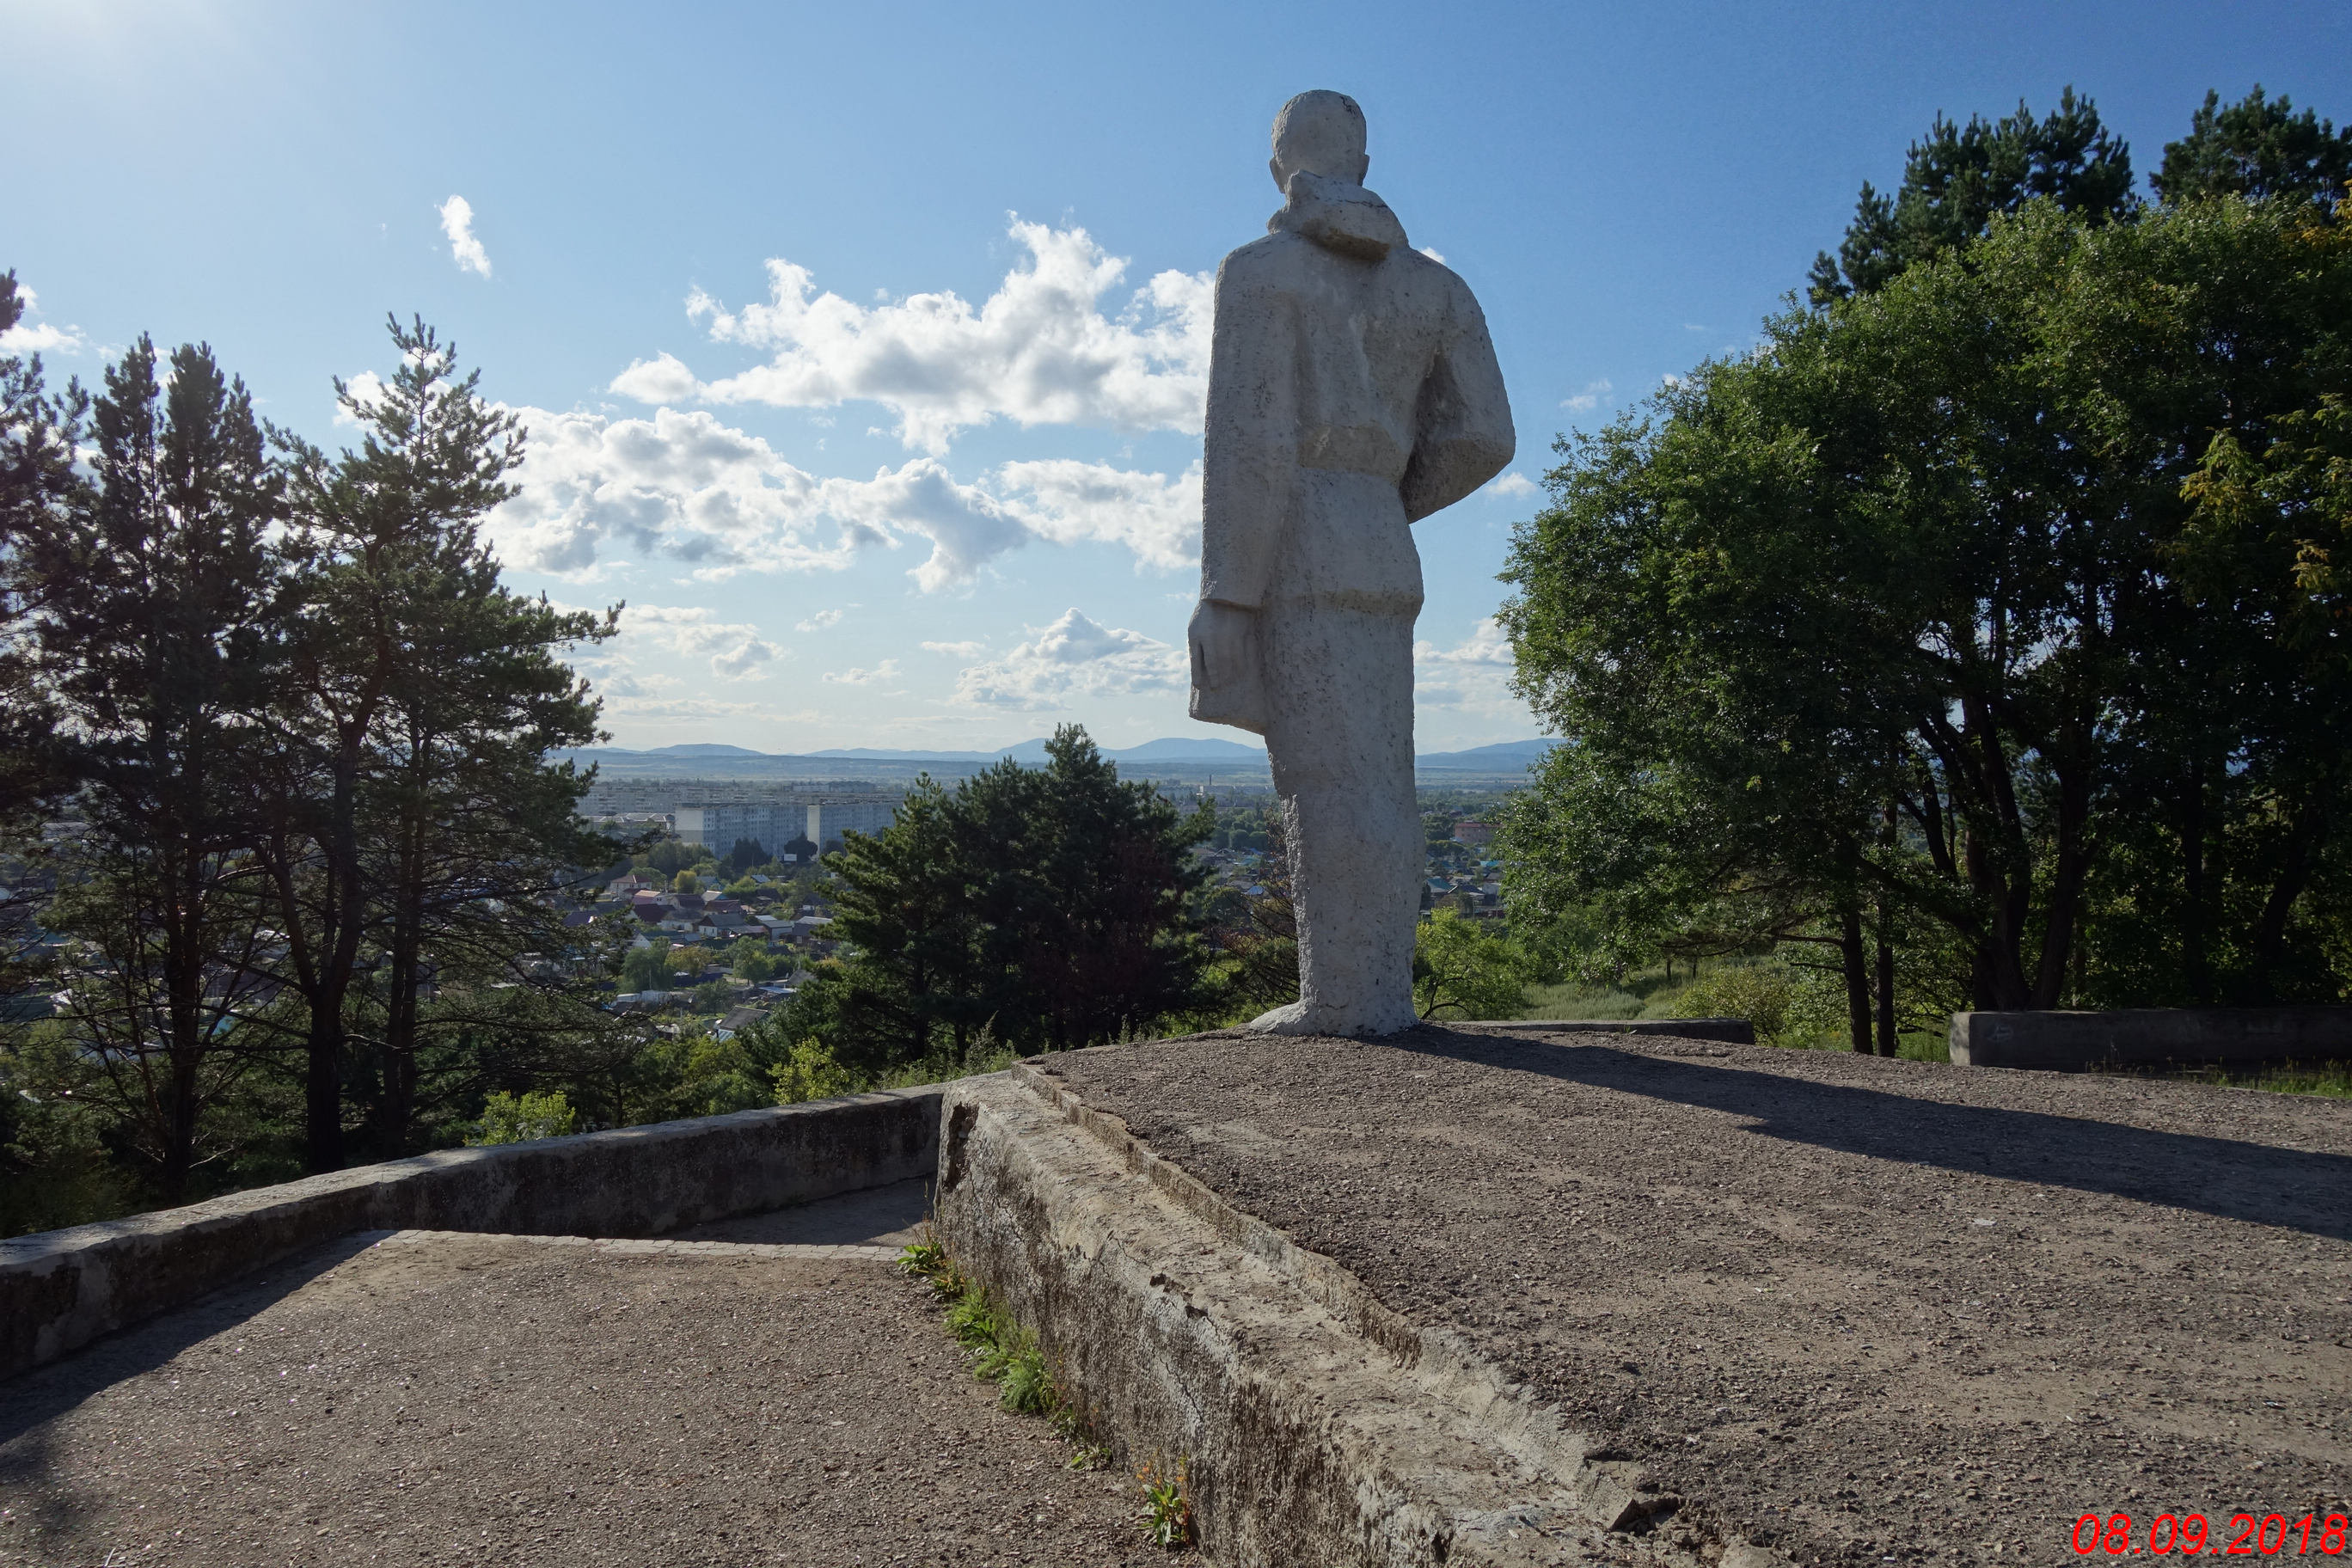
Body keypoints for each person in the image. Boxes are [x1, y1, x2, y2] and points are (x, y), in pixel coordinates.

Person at [1188, 89, 1515, 1036]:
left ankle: (1347, 1002)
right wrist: (1384, 497)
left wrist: (1227, 592)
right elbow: (1485, 435)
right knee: (1383, 777)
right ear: (1362, 169)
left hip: (1298, 542)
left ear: (1278, 166)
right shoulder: (1437, 288)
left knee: (1324, 778)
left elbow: (1249, 442)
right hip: (1381, 539)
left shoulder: (1260, 272)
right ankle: (1375, 992)